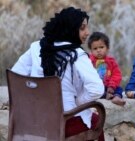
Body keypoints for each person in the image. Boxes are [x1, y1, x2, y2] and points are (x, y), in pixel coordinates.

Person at [11, 7, 105, 140]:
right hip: (64, 123)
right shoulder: (76, 54)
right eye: (82, 28)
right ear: (70, 28)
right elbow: (97, 88)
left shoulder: (36, 47)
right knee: (97, 120)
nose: (88, 32)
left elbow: (16, 76)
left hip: (32, 122)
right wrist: (78, 102)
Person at [87, 31, 126, 106]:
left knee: (119, 89)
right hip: (96, 87)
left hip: (109, 86)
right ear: (91, 51)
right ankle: (107, 95)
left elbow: (116, 75)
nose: (98, 50)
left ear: (107, 48)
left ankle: (116, 97)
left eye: (101, 47)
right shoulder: (88, 62)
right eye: (95, 48)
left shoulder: (111, 62)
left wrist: (112, 86)